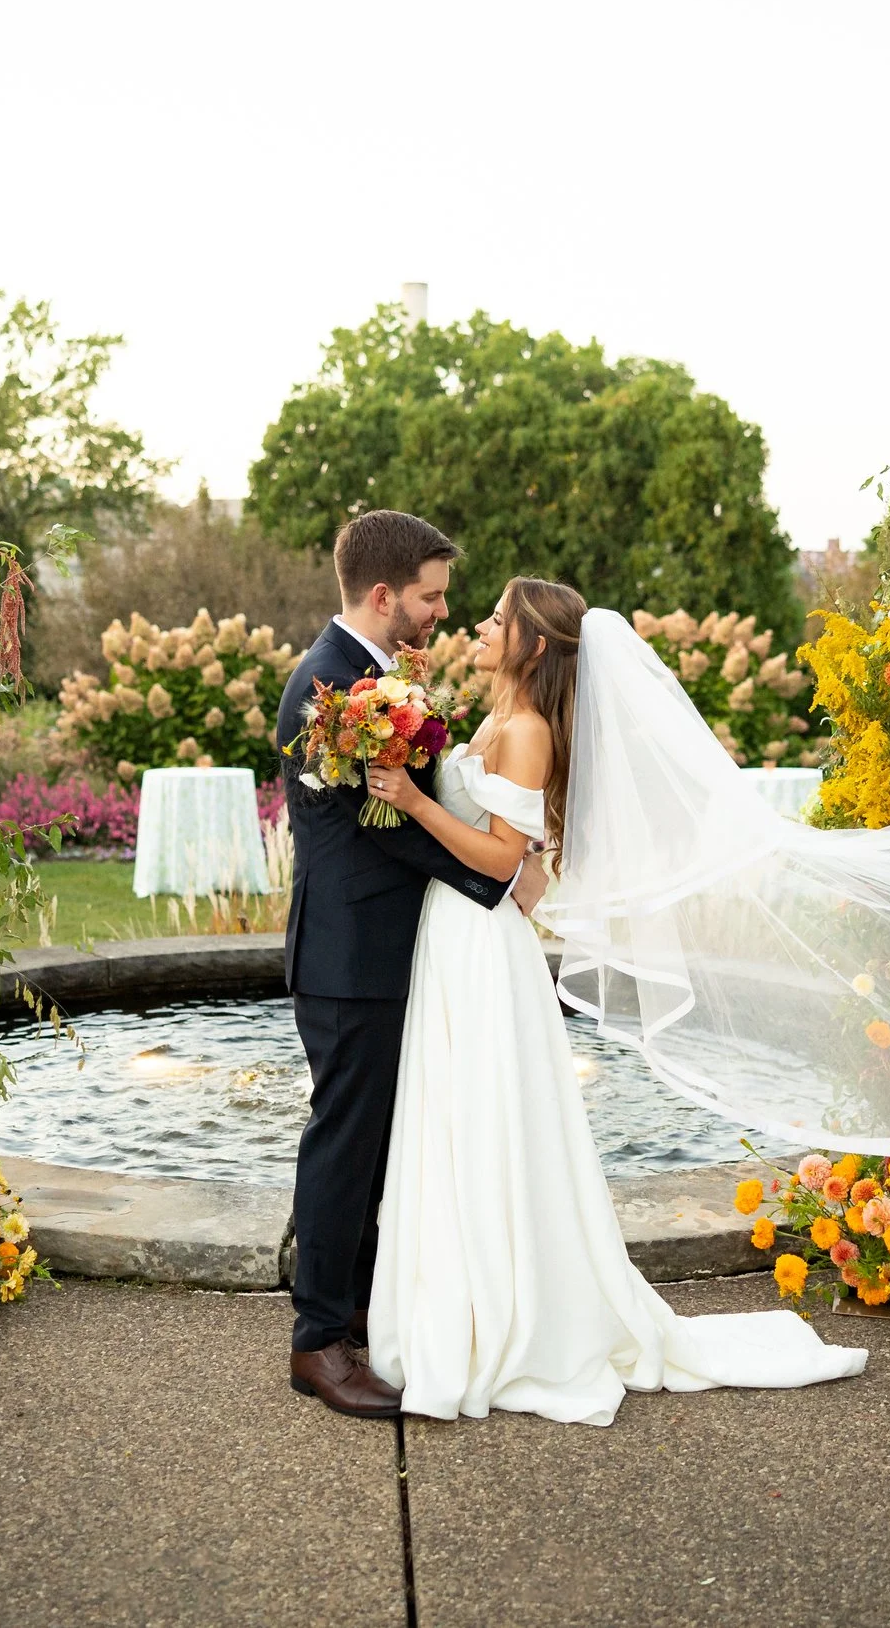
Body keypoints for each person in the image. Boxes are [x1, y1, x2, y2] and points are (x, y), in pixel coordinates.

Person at [358, 576, 866, 1426]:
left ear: (533, 644)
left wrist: (410, 801)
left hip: (480, 947)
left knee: (486, 1123)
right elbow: (529, 875)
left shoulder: (525, 734)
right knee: (456, 1120)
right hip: (455, 940)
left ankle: (510, 1323)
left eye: (496, 619)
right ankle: (462, 1302)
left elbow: (494, 863)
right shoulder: (494, 718)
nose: (479, 624)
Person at [275, 511, 547, 1420]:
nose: (440, 610)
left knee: (379, 1142)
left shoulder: (377, 679)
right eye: (430, 595)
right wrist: (492, 881)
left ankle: (353, 1308)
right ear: (385, 594)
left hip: (394, 952)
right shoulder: (328, 686)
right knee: (345, 1139)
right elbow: (376, 829)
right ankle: (316, 1341)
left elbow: (411, 804)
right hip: (351, 953)